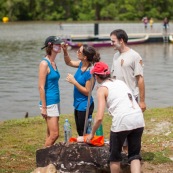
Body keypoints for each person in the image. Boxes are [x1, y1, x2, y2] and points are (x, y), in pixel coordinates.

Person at [86, 61, 145, 173]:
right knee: (134, 155)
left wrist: (91, 134)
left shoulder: (102, 89)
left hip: (122, 120)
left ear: (96, 76)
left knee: (115, 157)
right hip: (138, 117)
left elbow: (99, 117)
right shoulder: (120, 82)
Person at [110, 29, 146, 153]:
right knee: (120, 128)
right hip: (118, 98)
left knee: (131, 128)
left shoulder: (134, 56)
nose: (111, 43)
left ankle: (132, 155)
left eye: (113, 41)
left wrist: (142, 101)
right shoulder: (115, 56)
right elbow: (113, 77)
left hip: (132, 98)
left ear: (121, 40)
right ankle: (125, 156)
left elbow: (140, 79)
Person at [61, 44, 100, 136]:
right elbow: (69, 62)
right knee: (80, 130)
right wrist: (65, 51)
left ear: (85, 57)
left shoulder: (90, 71)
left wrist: (74, 82)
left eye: (79, 51)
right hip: (78, 103)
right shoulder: (81, 64)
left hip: (85, 105)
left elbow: (87, 92)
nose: (77, 52)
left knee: (84, 132)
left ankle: (88, 149)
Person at [38, 36, 64, 147]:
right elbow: (41, 87)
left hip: (55, 100)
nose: (60, 46)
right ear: (50, 46)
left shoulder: (53, 63)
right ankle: (43, 158)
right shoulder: (44, 64)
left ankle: (47, 157)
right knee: (55, 134)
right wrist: (44, 107)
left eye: (60, 44)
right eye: (57, 44)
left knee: (49, 132)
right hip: (49, 103)